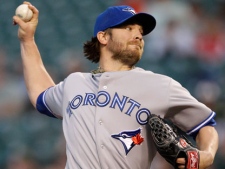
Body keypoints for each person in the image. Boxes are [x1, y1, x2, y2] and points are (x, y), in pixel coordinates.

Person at [13, 2, 219, 169]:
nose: (138, 35)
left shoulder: (160, 85)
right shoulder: (75, 83)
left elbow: (204, 124)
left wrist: (206, 155)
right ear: (103, 36)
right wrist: (28, 40)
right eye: (128, 28)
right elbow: (40, 94)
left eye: (140, 31)